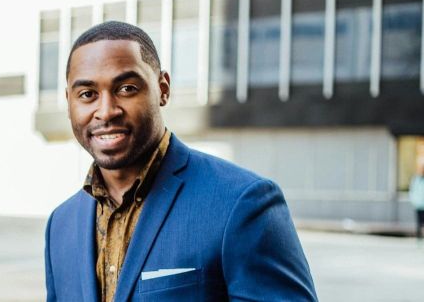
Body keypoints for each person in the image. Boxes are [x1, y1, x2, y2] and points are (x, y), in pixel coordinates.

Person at [44, 21, 317, 301]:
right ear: (69, 102)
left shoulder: (242, 202)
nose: (106, 111)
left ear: (163, 89)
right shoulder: (60, 226)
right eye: (87, 95)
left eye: (126, 88)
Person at [410, 152, 424, 242]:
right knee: (419, 223)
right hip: (418, 204)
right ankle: (418, 238)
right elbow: (412, 191)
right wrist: (414, 200)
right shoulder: (416, 179)